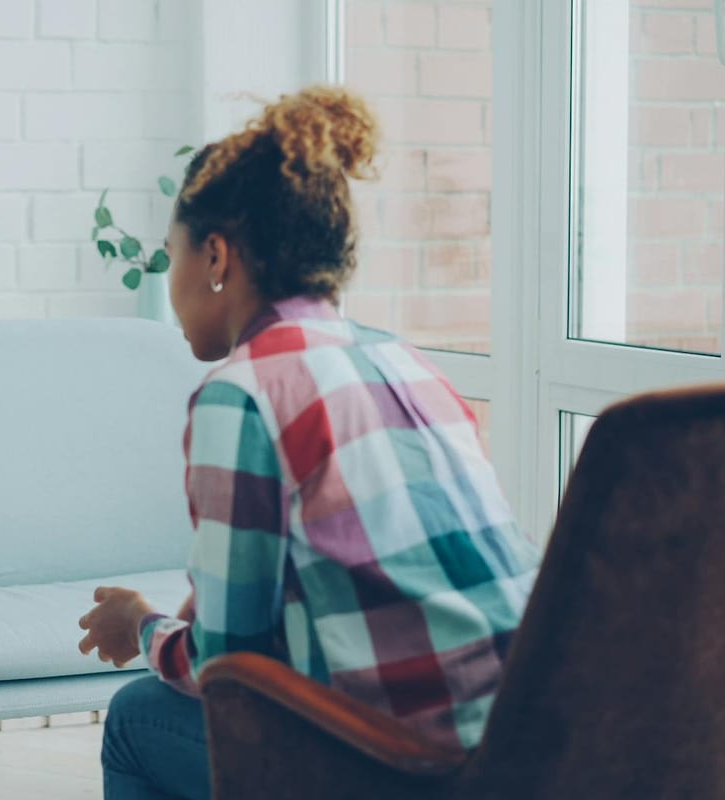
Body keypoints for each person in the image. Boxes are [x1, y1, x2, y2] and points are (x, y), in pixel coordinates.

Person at [77, 85, 541, 799]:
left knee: (137, 718)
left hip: (411, 768)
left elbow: (229, 670)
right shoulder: (402, 360)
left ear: (215, 257)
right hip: (535, 741)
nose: (170, 283)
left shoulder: (244, 391)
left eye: (171, 254)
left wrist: (139, 625)